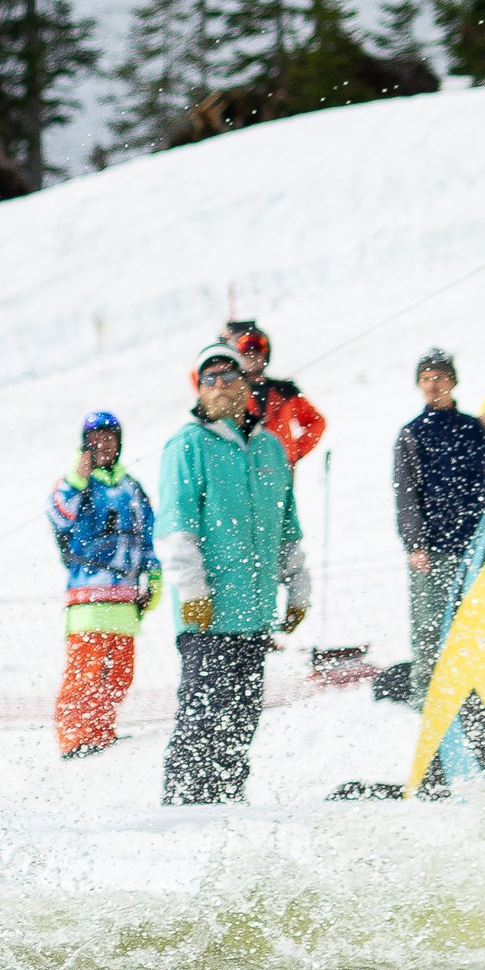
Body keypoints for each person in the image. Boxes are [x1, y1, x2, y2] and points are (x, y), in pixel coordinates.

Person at [156, 341, 309, 805]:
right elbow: (174, 528)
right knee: (202, 721)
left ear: (246, 383)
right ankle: (184, 806)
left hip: (254, 615)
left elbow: (288, 529)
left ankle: (226, 803)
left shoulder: (269, 449)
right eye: (210, 379)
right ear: (199, 389)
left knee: (240, 720)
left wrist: (298, 591)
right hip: (208, 618)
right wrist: (193, 589)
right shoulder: (188, 445)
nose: (220, 385)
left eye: (229, 376)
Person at [46, 412, 162, 759]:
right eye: (96, 439)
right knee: (86, 672)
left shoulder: (131, 487)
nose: (104, 445)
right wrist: (76, 478)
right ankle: (75, 735)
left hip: (124, 597)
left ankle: (100, 729)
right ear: (85, 444)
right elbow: (57, 515)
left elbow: (148, 537)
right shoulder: (77, 485)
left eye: (110, 438)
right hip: (87, 598)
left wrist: (153, 576)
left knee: (119, 673)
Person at [395, 349, 485, 708]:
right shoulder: (411, 434)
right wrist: (415, 544)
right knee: (428, 629)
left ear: (452, 381)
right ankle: (425, 701)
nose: (432, 384)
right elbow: (406, 494)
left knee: (473, 627)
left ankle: (473, 699)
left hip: (474, 549)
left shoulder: (473, 429)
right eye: (426, 378)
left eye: (439, 377)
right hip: (433, 551)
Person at [223, 321, 327, 465]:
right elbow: (200, 377)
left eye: (258, 349)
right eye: (245, 351)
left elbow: (316, 422)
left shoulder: (285, 391)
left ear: (266, 353)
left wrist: (294, 452)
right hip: (244, 468)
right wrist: (222, 343)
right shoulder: (228, 390)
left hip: (281, 467)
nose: (252, 355)